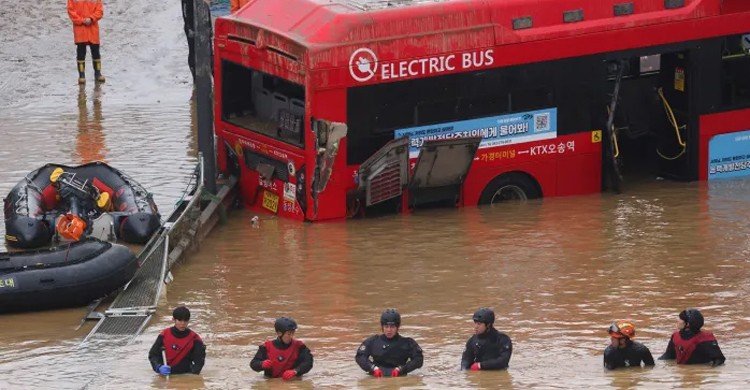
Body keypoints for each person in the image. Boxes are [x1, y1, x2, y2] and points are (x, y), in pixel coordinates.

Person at [355, 308, 424, 377]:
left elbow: (418, 359)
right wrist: (372, 368)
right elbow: (360, 356)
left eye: (392, 327)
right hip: (376, 377)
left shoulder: (407, 343)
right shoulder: (373, 341)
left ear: (398, 327)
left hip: (399, 376)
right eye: (386, 326)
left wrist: (401, 369)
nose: (389, 330)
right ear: (382, 327)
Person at [148, 306, 206, 375]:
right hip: (165, 374)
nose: (182, 323)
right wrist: (159, 367)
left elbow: (199, 361)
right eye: (180, 320)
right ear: (173, 320)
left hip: (185, 375)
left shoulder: (195, 338)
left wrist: (192, 377)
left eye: (185, 321)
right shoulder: (164, 335)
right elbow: (153, 355)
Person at [659, 308, 726, 366]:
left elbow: (719, 360)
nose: (678, 321)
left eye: (680, 319)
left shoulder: (706, 340)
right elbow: (668, 356)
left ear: (687, 324)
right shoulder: (675, 336)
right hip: (682, 375)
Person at [67, 0, 105, 84]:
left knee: (96, 53)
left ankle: (98, 74)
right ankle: (81, 76)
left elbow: (100, 11)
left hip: (93, 29)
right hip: (80, 30)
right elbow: (71, 11)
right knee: (81, 53)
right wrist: (82, 20)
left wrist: (91, 18)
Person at [181, 0, 213, 81]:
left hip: (201, 20)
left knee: (205, 52)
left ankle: (204, 79)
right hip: (194, 22)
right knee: (196, 52)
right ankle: (198, 81)